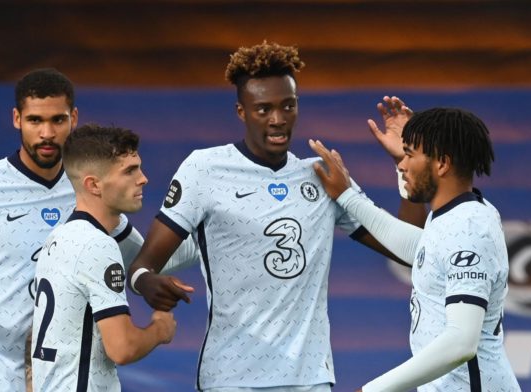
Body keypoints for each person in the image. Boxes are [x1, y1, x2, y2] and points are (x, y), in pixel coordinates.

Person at [127, 41, 424, 391]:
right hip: (231, 378)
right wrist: (146, 283)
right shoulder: (204, 170)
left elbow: (409, 248)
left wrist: (407, 163)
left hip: (310, 378)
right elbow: (144, 264)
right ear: (241, 111)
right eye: (263, 109)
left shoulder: (322, 173)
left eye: (288, 106)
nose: (278, 119)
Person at [0, 68, 196, 391]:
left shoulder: (88, 191)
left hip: (62, 379)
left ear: (74, 118)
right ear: (16, 119)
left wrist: (210, 234)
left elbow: (146, 258)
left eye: (58, 120)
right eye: (35, 121)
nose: (47, 133)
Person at [309, 107, 520, 391]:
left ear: (442, 163)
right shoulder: (453, 216)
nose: (401, 165)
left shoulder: (470, 228)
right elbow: (414, 247)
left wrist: (373, 390)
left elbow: (461, 343)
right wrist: (347, 196)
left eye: (409, 155)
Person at [31, 124, 176, 391]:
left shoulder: (59, 236)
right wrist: (160, 329)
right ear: (93, 185)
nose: (143, 178)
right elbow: (122, 348)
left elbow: (154, 257)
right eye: (130, 170)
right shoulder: (97, 245)